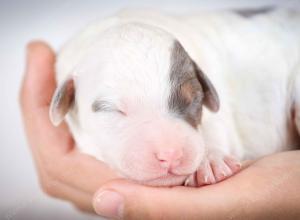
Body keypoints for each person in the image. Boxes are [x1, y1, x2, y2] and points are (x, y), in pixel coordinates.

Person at [20, 41, 300, 220]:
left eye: (189, 103)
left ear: (204, 90)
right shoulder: (86, 73)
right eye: (115, 110)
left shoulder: (185, 56)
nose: (169, 153)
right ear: (66, 97)